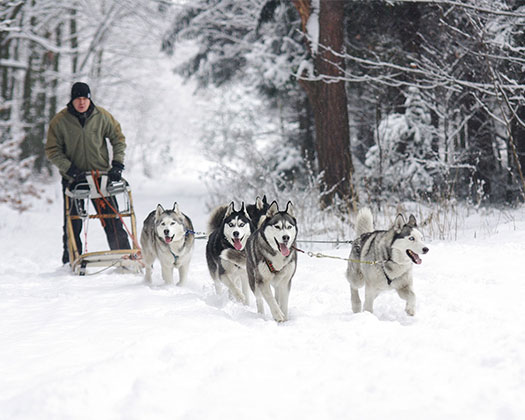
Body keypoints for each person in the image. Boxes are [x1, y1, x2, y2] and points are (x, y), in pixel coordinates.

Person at [45, 82, 131, 264]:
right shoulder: (60, 121)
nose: (81, 102)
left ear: (89, 99)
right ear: (72, 100)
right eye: (78, 99)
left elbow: (118, 138)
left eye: (85, 98)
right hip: (74, 179)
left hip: (100, 177)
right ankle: (71, 260)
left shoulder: (102, 116)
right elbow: (52, 150)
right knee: (73, 221)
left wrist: (117, 163)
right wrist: (70, 169)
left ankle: (124, 255)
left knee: (111, 219)